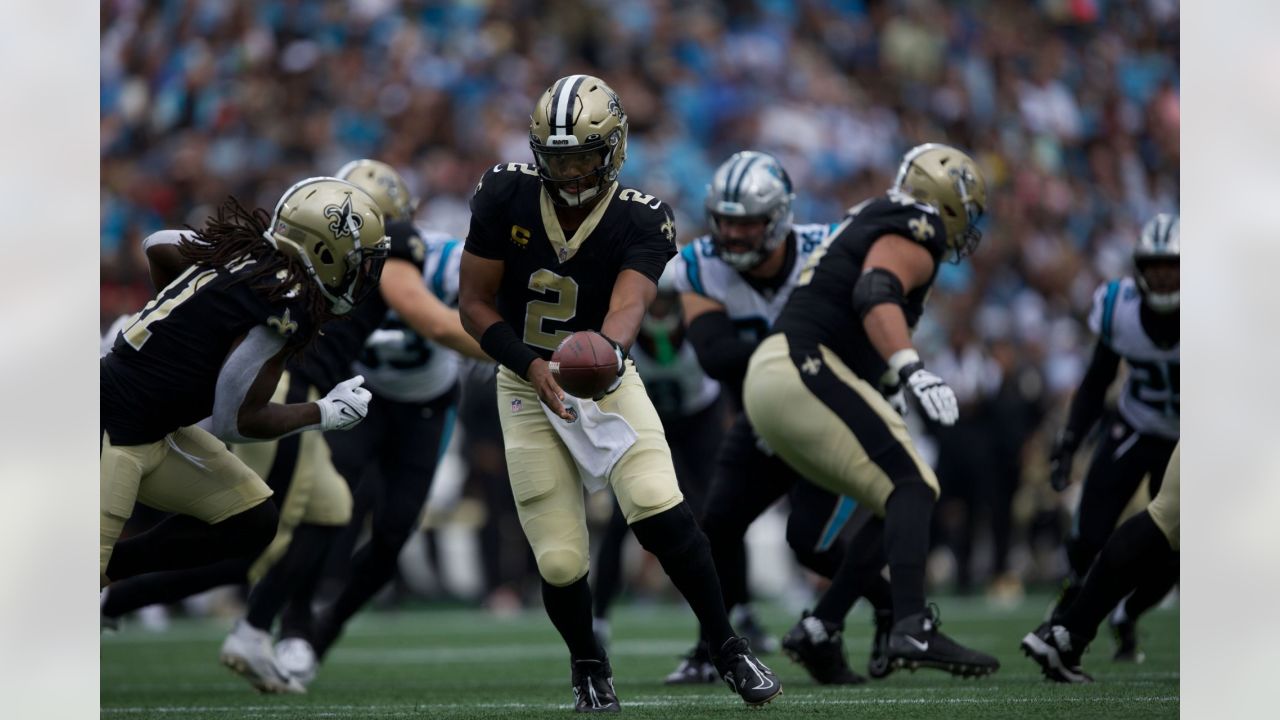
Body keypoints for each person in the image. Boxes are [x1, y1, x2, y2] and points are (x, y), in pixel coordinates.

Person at [459, 74, 782, 711]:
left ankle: (726, 647)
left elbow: (629, 305)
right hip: (524, 382)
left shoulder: (641, 214)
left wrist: (601, 358)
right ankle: (587, 662)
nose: (572, 171)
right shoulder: (504, 194)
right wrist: (531, 365)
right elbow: (472, 304)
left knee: (659, 503)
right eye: (558, 158)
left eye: (583, 155)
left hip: (602, 376)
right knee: (557, 559)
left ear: (613, 150)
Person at [742, 143, 1001, 678]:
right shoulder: (917, 222)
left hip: (778, 379)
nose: (966, 225)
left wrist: (887, 379)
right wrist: (909, 365)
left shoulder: (872, 215)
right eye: (966, 209)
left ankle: (823, 626)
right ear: (942, 201)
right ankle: (910, 625)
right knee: (913, 486)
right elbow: (874, 289)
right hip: (801, 367)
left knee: (888, 501)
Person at [100, 177, 387, 609]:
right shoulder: (284, 305)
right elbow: (237, 421)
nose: (362, 276)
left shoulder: (240, 250)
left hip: (154, 430)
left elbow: (158, 243)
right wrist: (323, 412)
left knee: (250, 519)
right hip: (112, 432)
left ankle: (109, 571)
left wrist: (177, 321)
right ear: (325, 253)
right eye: (356, 262)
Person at [664, 150, 892, 687]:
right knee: (714, 528)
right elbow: (714, 353)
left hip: (829, 417)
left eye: (747, 223)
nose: (734, 235)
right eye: (725, 221)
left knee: (809, 542)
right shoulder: (702, 265)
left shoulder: (829, 252)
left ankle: (885, 606)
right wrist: (805, 345)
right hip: (764, 418)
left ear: (780, 218)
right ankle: (710, 645)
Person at [272, 161, 490, 687]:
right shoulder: (326, 263)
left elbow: (452, 315)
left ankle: (326, 631)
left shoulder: (442, 260)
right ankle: (295, 624)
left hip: (424, 405)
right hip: (360, 396)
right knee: (330, 506)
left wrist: (515, 351)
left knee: (394, 532)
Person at [1046, 213, 1180, 660]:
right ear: (1138, 269)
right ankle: (1073, 608)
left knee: (1174, 553)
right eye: (1154, 265)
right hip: (1135, 424)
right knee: (1088, 536)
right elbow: (1095, 381)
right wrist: (1069, 441)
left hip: (1188, 440)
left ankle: (1127, 616)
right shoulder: (1118, 308)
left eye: (1172, 266)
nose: (1162, 275)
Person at [590, 276, 725, 650]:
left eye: (667, 301)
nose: (661, 310)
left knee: (713, 513)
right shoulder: (620, 328)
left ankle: (735, 612)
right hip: (649, 424)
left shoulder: (700, 325)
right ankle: (599, 616)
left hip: (699, 421)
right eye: (656, 302)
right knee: (624, 519)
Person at [1022, 442, 1179, 682]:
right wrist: (1071, 438)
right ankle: (1069, 631)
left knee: (1174, 536)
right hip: (1139, 427)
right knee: (1165, 522)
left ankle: (1072, 631)